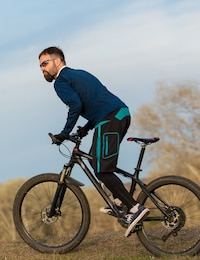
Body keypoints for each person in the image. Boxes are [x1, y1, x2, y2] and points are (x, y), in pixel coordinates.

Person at [38, 46, 149, 237]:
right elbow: (97, 102)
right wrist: (86, 129)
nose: (42, 69)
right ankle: (119, 200)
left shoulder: (61, 82)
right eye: (40, 66)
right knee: (95, 159)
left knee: (101, 168)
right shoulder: (79, 74)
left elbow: (75, 105)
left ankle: (134, 208)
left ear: (58, 61)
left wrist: (64, 133)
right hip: (118, 115)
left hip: (110, 119)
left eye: (45, 63)